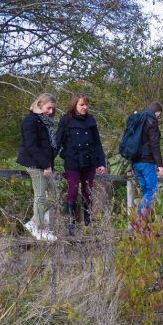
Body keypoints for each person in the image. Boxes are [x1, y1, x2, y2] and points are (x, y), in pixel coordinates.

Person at [55, 94, 106, 235]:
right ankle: (71, 224)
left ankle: (88, 223)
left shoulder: (91, 120)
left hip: (90, 161)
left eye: (86, 104)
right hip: (72, 160)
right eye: (81, 104)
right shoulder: (66, 120)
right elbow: (57, 141)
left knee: (88, 192)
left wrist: (101, 163)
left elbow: (97, 143)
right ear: (74, 105)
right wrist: (48, 162)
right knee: (72, 190)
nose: (85, 107)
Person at [16, 92, 58, 242]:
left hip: (45, 165)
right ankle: (39, 229)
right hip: (34, 163)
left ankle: (34, 223)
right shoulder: (30, 121)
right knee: (40, 196)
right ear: (39, 105)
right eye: (48, 108)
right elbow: (32, 146)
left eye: (53, 109)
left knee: (54, 196)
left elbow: (49, 146)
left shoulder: (46, 122)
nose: (51, 111)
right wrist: (45, 164)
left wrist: (49, 164)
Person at [130, 101, 163, 220]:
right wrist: (160, 165)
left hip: (136, 163)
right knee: (152, 191)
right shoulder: (152, 122)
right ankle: (139, 218)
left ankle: (146, 224)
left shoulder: (137, 120)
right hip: (147, 163)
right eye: (158, 115)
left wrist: (131, 165)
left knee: (146, 191)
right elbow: (155, 145)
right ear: (157, 112)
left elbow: (132, 143)